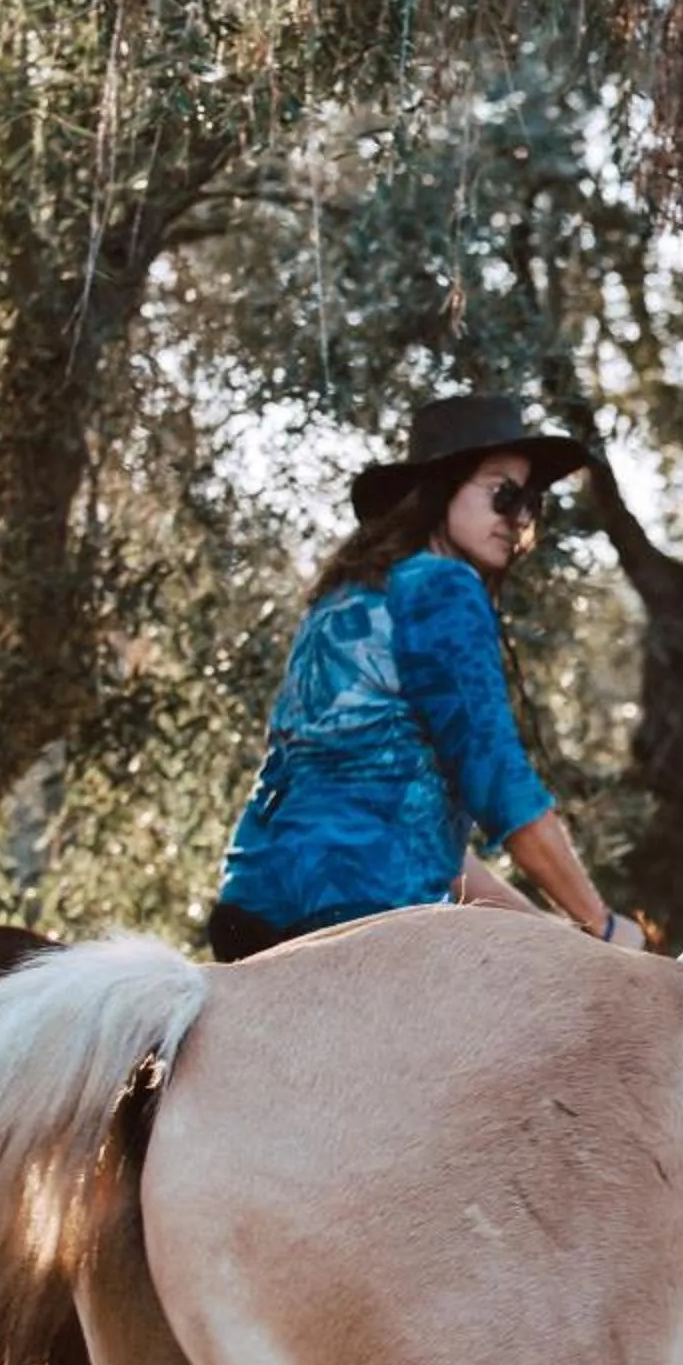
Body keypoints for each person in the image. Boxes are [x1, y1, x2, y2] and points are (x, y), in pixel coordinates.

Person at [205, 394, 646, 962]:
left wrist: (543, 929)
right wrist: (602, 926)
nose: (518, 518)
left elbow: (412, 833)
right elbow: (499, 780)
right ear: (442, 488)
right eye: (503, 494)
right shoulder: (443, 587)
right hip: (355, 917)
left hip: (249, 910)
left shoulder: (344, 597)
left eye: (531, 502)